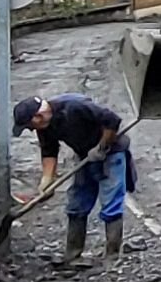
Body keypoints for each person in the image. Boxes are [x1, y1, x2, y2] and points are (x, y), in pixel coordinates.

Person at [9, 92, 134, 265]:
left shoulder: (74, 107)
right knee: (77, 203)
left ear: (38, 115)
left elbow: (112, 120)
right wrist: (47, 181)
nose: (30, 129)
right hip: (84, 156)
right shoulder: (45, 127)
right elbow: (49, 151)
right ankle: (73, 255)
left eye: (29, 125)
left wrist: (102, 146)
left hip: (112, 153)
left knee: (111, 202)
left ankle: (112, 256)